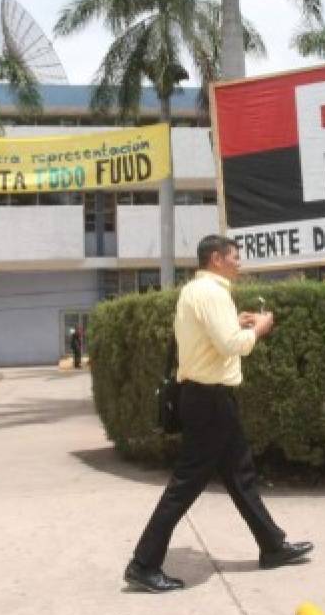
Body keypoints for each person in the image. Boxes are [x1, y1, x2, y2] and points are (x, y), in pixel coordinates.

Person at [124, 234, 313, 593]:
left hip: (208, 399)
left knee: (241, 476)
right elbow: (232, 346)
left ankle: (272, 545)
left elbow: (211, 336)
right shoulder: (212, 293)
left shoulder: (196, 291)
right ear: (216, 258)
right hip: (209, 401)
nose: (240, 262)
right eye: (235, 256)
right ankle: (143, 563)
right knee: (185, 485)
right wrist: (258, 328)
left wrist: (235, 319)